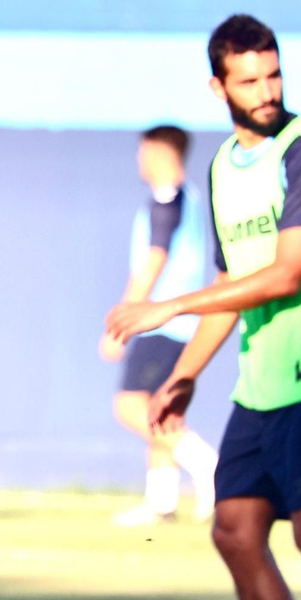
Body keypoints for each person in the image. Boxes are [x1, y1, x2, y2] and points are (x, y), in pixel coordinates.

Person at [108, 14, 301, 600]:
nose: (266, 91)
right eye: (249, 80)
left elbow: (285, 272)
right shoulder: (219, 170)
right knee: (236, 529)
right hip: (261, 385)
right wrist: (182, 375)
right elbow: (231, 280)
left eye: (273, 74)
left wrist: (167, 307)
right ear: (218, 86)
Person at [99, 125, 218, 526]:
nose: (139, 160)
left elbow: (154, 258)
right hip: (175, 322)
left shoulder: (168, 197)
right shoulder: (190, 197)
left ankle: (205, 463)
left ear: (160, 152)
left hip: (161, 322)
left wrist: (125, 320)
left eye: (143, 151)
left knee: (130, 405)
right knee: (158, 408)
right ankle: (162, 503)